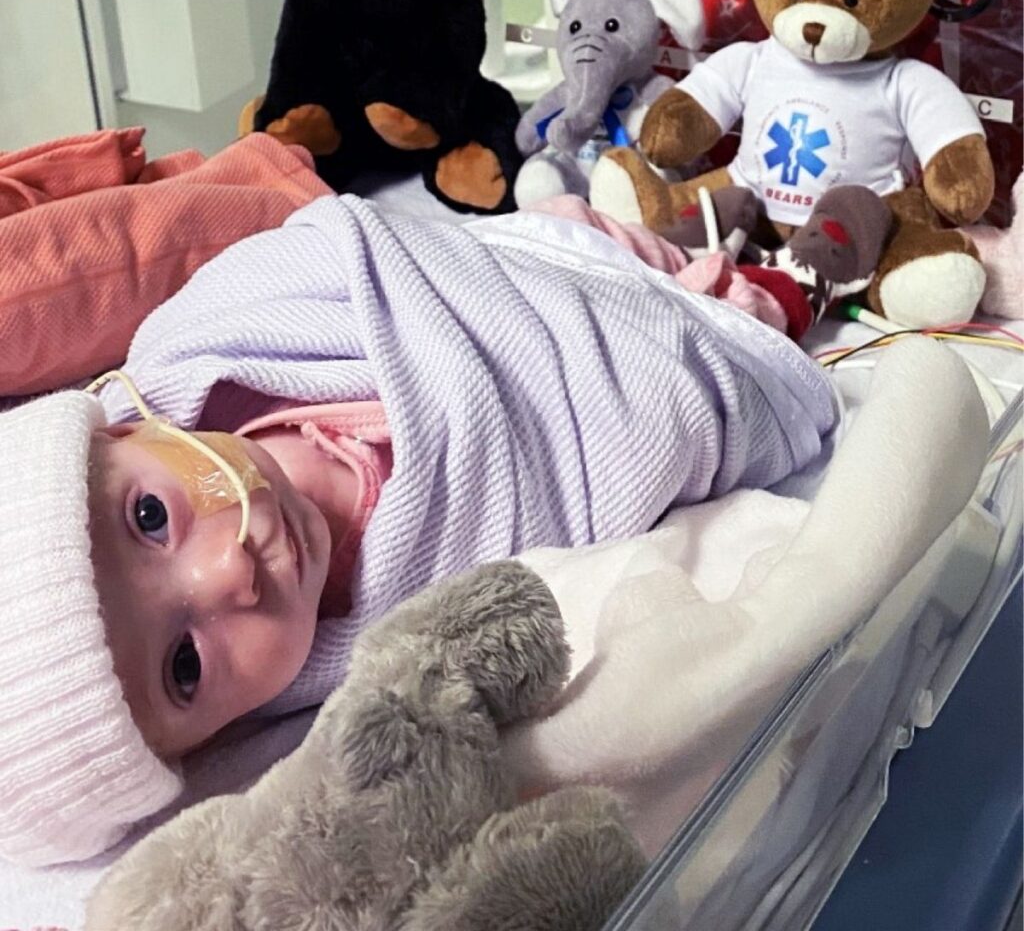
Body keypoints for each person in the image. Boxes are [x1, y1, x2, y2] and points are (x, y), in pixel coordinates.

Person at [0, 193, 835, 867]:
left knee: (567, 221)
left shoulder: (212, 337)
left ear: (119, 432)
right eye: (185, 667)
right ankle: (783, 280)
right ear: (204, 744)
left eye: (151, 518)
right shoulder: (377, 660)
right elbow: (595, 488)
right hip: (632, 370)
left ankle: (687, 216)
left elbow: (350, 241)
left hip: (520, 257)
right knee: (732, 327)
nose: (229, 574)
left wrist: (524, 263)